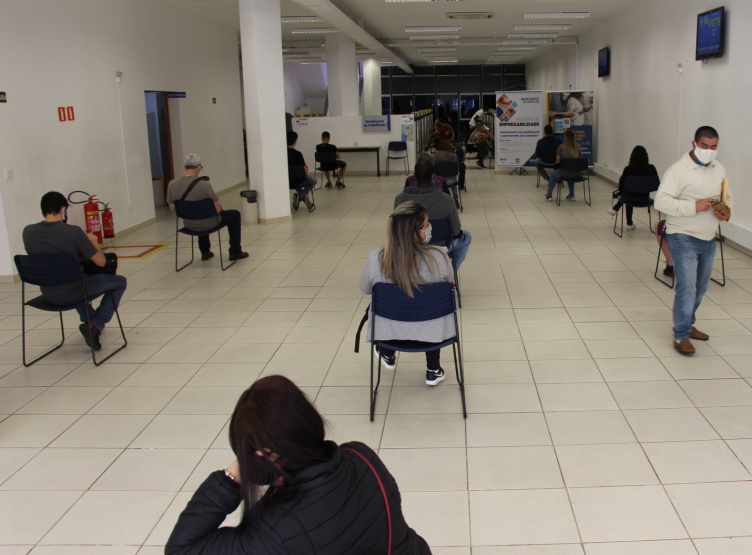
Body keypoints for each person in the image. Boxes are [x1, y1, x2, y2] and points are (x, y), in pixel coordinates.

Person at [166, 375, 431, 554]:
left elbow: (180, 549)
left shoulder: (274, 531)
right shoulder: (362, 457)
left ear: (264, 457)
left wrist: (234, 473)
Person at [654, 126, 732, 354]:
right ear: (694, 144)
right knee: (687, 287)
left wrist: (727, 211)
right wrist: (693, 206)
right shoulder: (678, 170)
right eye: (704, 146)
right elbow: (661, 201)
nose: (709, 151)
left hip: (708, 237)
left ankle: (688, 324)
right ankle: (681, 335)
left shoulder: (718, 168)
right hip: (683, 236)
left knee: (700, 287)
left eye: (714, 146)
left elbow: (727, 196)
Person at [359, 201, 455, 386]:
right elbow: (449, 279)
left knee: (390, 303)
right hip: (433, 334)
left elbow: (365, 289)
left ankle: (387, 351)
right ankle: (433, 369)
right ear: (415, 231)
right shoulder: (440, 256)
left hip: (390, 333)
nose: (430, 226)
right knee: (429, 304)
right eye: (426, 223)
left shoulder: (377, 258)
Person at [22, 191, 128, 351]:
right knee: (120, 282)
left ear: (42, 210)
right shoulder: (73, 232)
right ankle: (95, 324)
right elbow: (101, 262)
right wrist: (94, 242)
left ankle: (89, 322)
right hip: (76, 291)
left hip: (49, 293)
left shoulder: (28, 232)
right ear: (63, 209)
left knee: (72, 277)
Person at [167, 154, 249, 262]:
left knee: (199, 213)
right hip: (208, 224)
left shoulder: (172, 184)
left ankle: (205, 252)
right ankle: (235, 251)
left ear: (184, 167)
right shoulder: (204, 185)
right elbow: (218, 210)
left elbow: (172, 207)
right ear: (199, 168)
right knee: (235, 214)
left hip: (189, 224)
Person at [395, 160, 471, 270]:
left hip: (409, 247)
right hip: (440, 247)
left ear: (414, 177)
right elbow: (455, 231)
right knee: (466, 236)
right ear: (433, 177)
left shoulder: (400, 200)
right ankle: (449, 272)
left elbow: (397, 229)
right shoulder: (447, 200)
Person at [609, 145, 659, 231]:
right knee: (629, 193)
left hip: (629, 199)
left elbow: (621, 185)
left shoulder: (628, 169)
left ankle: (625, 219)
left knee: (627, 194)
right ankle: (626, 220)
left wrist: (621, 192)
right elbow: (657, 183)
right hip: (645, 199)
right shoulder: (651, 169)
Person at [545, 129, 583, 202]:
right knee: (571, 173)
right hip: (577, 173)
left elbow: (558, 161)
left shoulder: (561, 147)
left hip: (564, 173)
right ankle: (572, 195)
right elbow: (579, 160)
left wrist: (554, 168)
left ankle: (549, 195)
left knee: (552, 175)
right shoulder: (578, 147)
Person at [286, 131, 315, 212]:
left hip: (286, 181)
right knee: (313, 180)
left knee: (294, 177)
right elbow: (305, 171)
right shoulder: (298, 154)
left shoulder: (282, 154)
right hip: (299, 181)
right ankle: (301, 195)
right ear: (295, 141)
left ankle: (300, 196)